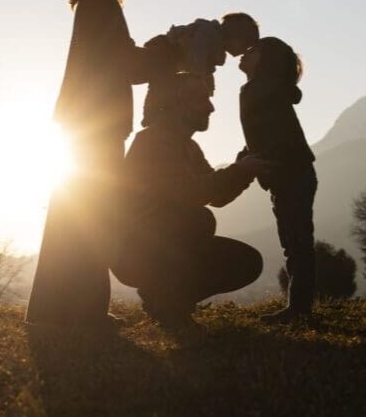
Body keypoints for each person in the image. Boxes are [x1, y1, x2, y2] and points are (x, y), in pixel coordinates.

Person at [27, 0, 173, 329]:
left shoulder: (95, 4)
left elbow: (120, 60)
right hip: (94, 124)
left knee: (75, 215)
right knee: (92, 218)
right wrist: (173, 51)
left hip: (83, 121)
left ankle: (57, 310)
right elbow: (126, 64)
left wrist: (158, 53)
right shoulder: (100, 5)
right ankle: (82, 311)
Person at [112, 74, 271, 330]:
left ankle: (165, 300)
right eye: (200, 98)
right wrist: (239, 171)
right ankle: (168, 303)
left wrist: (244, 168)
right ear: (176, 103)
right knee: (195, 221)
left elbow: (217, 196)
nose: (210, 107)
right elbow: (187, 192)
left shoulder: (189, 147)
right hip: (135, 251)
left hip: (162, 245)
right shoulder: (152, 141)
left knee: (247, 261)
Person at [237, 36, 317, 323]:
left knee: (296, 242)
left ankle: (299, 309)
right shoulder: (264, 89)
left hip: (289, 173)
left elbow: (264, 134)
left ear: (266, 60)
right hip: (291, 173)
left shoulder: (259, 88)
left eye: (252, 49)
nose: (244, 52)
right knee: (295, 241)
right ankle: (299, 307)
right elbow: (262, 132)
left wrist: (255, 159)